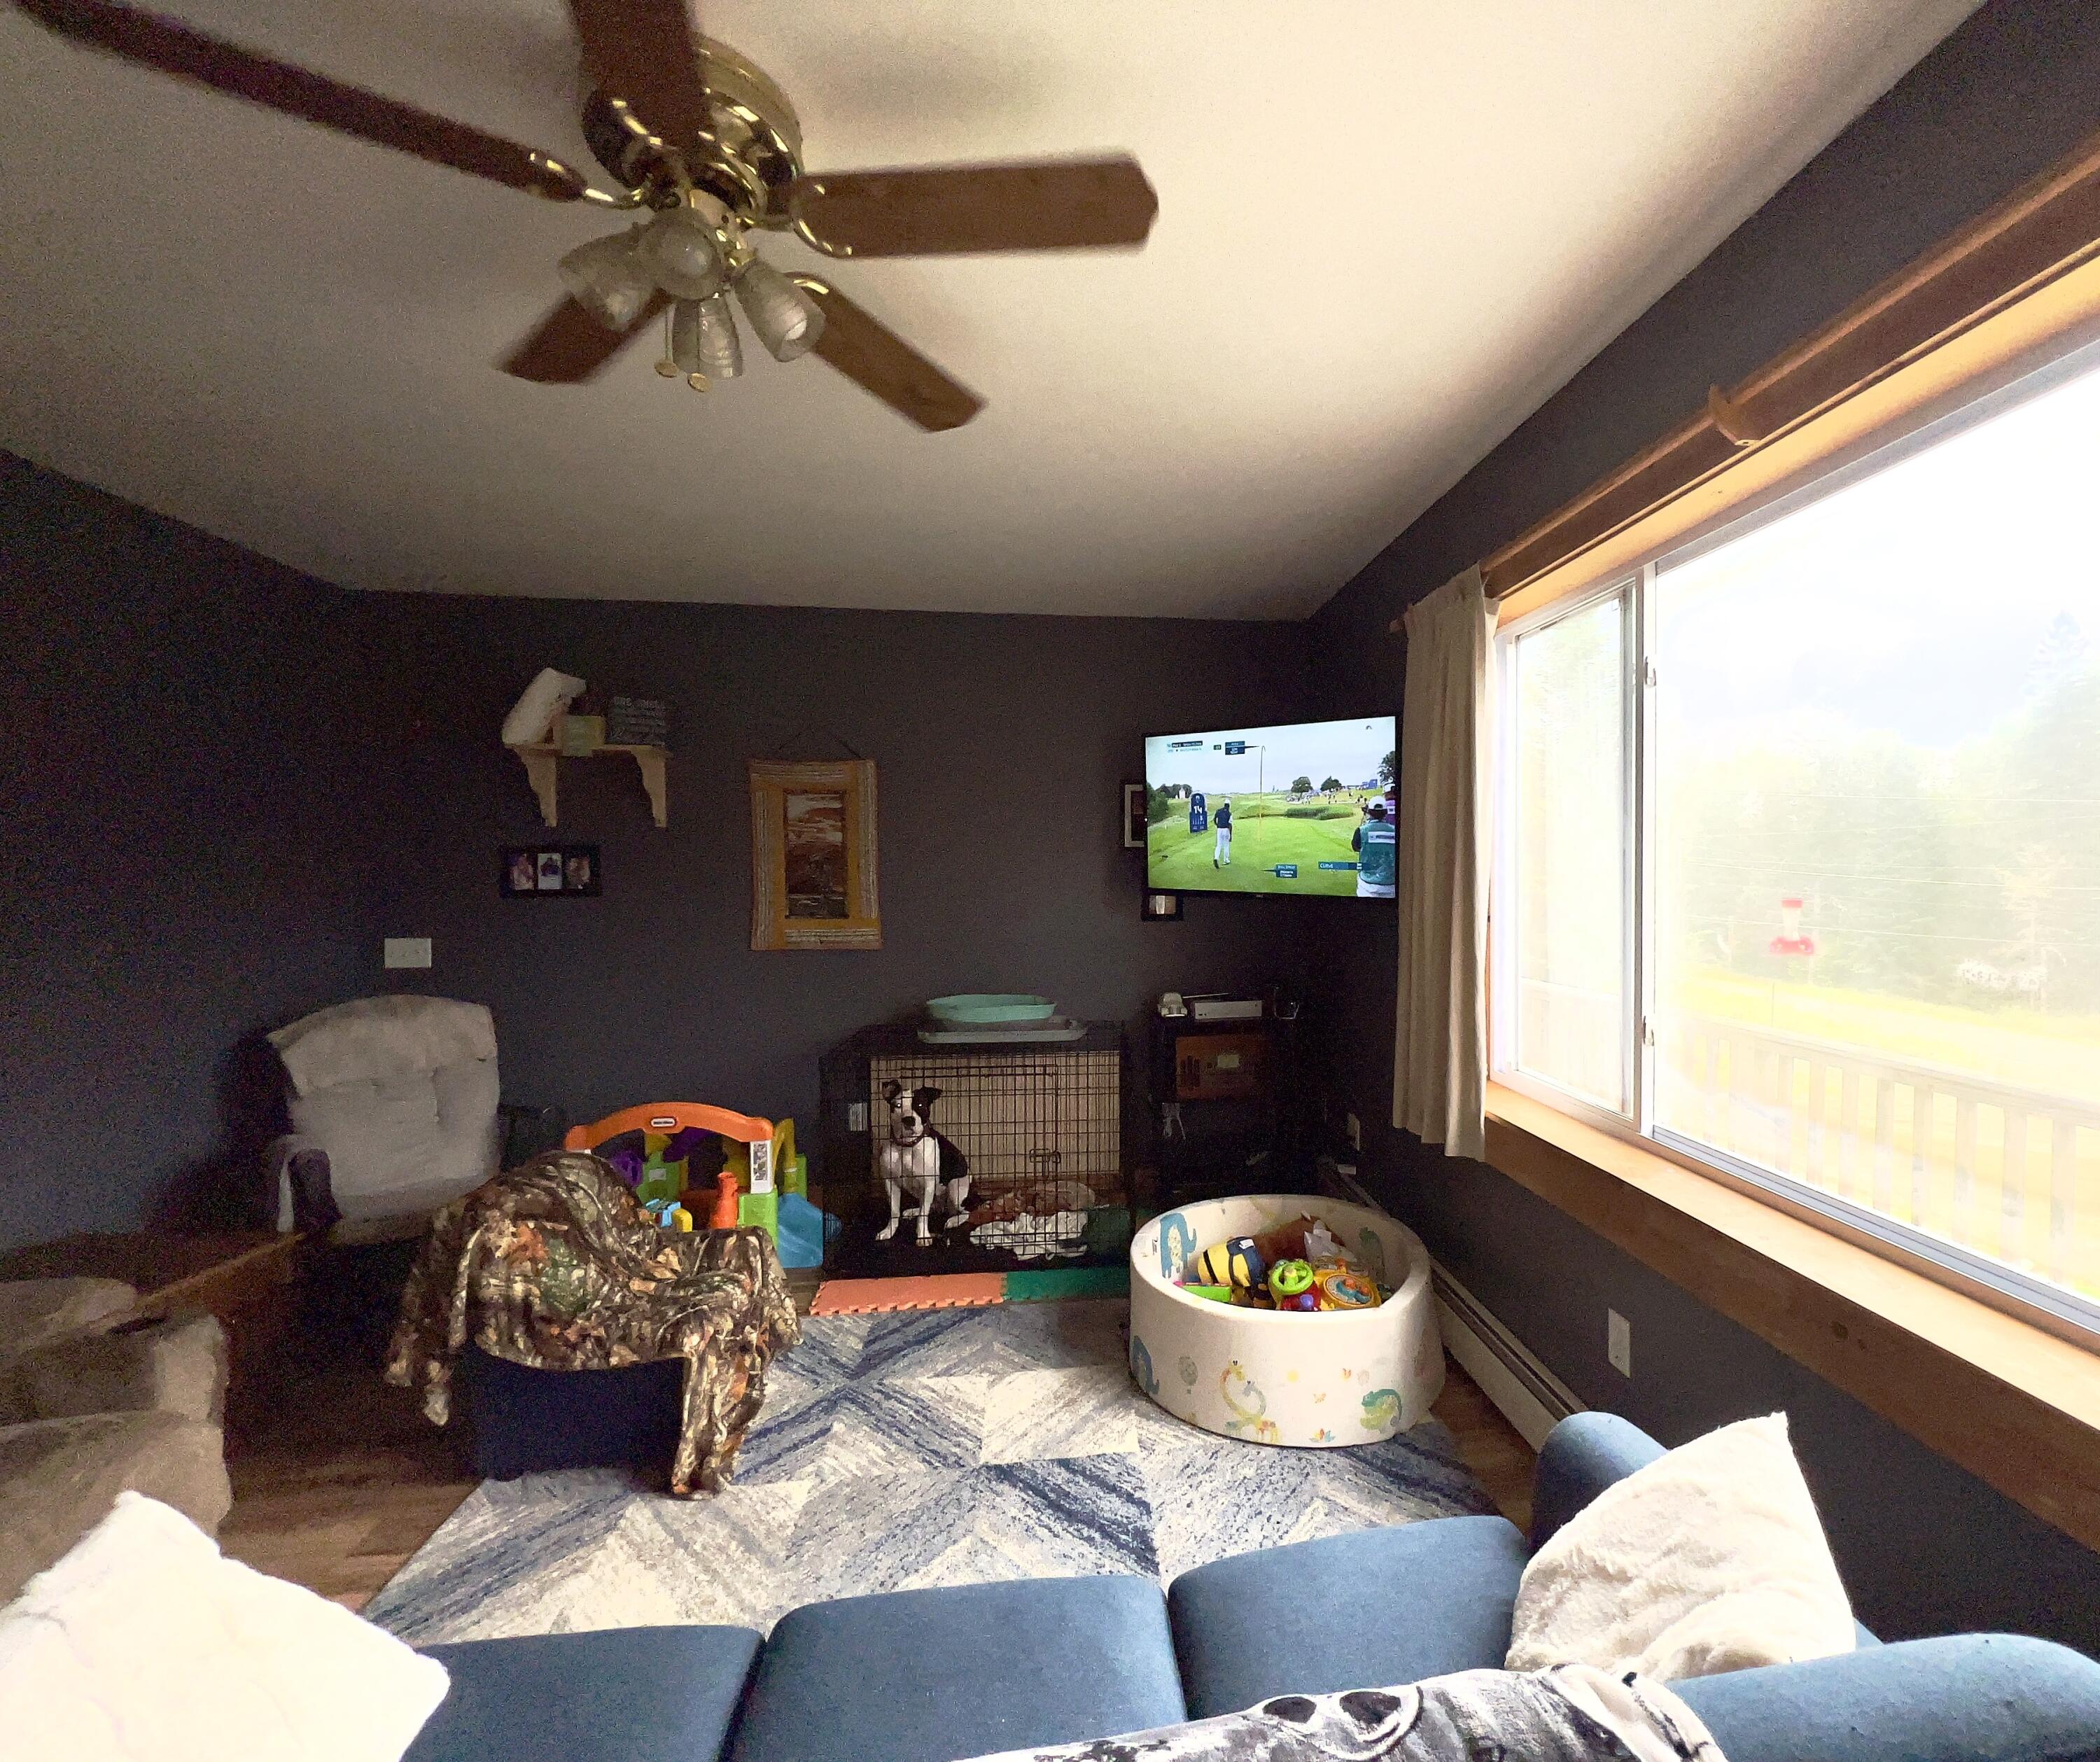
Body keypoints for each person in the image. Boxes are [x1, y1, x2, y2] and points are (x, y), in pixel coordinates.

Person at [1352, 802, 1396, 897]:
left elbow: (1356, 847)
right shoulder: (1395, 830)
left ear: (1369, 812)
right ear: (1385, 813)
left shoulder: (1361, 830)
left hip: (1367, 884)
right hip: (1391, 884)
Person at [1212, 797, 1233, 867]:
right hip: (1226, 829)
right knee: (1226, 845)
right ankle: (1226, 860)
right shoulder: (1229, 814)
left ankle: (1216, 858)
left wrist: (1217, 825)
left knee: (1219, 845)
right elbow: (1230, 825)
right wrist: (1230, 835)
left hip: (1219, 829)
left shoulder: (1218, 811)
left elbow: (1215, 819)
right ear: (1229, 806)